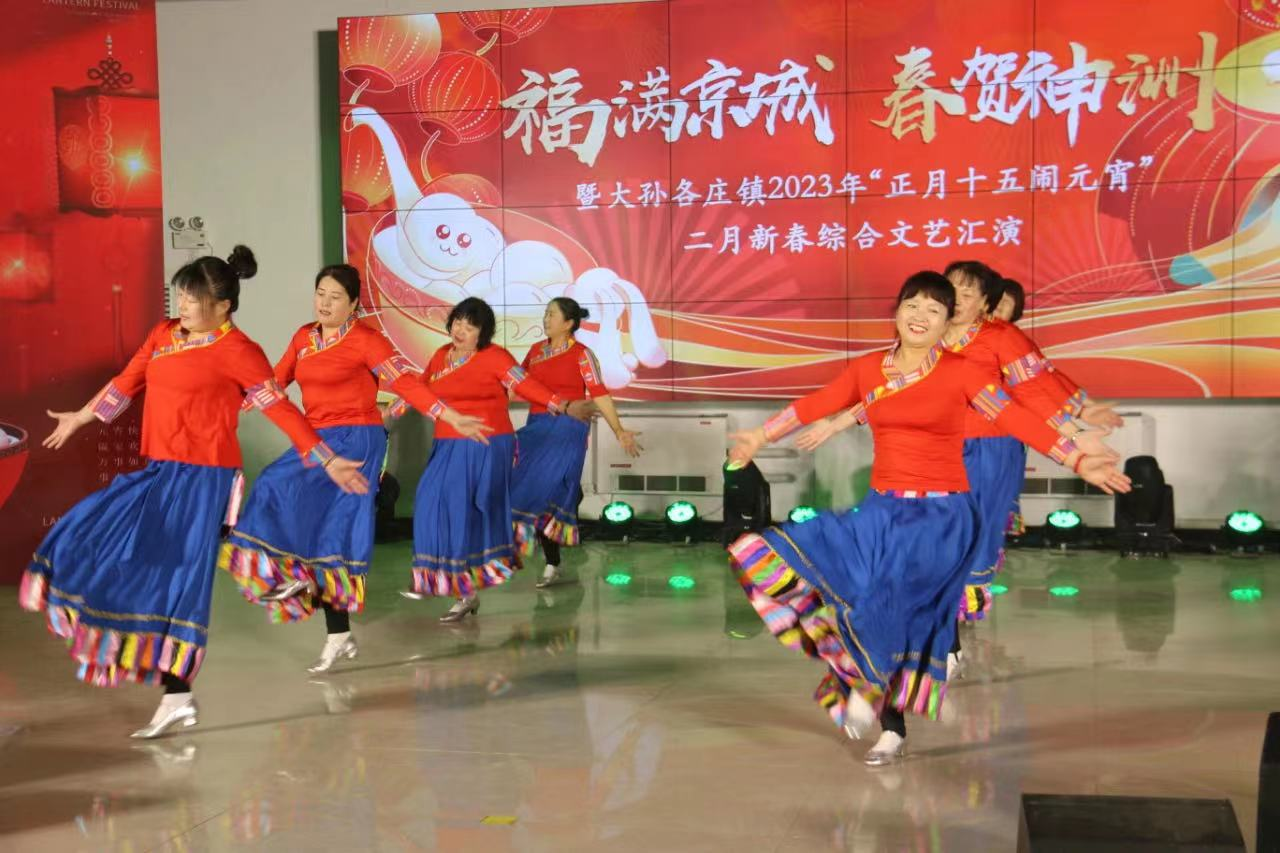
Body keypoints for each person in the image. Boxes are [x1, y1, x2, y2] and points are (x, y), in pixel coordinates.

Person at [725, 271, 1130, 766]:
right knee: (830, 586)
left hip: (941, 516)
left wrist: (1076, 457)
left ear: (946, 324)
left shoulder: (963, 372)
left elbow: (1015, 417)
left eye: (934, 310)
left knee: (892, 609)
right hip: (882, 510)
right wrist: (760, 436)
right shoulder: (870, 368)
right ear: (897, 312)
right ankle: (873, 697)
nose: (921, 316)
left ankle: (884, 718)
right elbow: (816, 404)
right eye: (912, 305)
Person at [18, 247, 369, 738]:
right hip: (161, 471)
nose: (183, 304)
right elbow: (125, 384)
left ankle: (177, 693)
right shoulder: (163, 335)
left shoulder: (239, 350)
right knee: (97, 531)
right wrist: (80, 416)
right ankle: (176, 690)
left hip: (205, 479)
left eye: (194, 298)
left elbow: (281, 409)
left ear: (223, 305)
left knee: (180, 580)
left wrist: (326, 458)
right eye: (181, 294)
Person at [220, 264, 491, 673]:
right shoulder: (304, 337)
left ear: (353, 305)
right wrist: (237, 401)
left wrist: (447, 414)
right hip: (317, 437)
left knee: (334, 531)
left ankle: (327, 617)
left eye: (335, 297)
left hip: (358, 439)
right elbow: (276, 378)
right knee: (278, 487)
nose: (325, 303)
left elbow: (405, 382)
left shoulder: (367, 340)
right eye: (320, 294)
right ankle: (333, 623)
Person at [389, 297, 582, 622]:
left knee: (466, 513)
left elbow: (525, 384)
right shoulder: (441, 355)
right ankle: (437, 579)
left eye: (470, 326)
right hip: (447, 443)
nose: (460, 330)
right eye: (458, 322)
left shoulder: (495, 356)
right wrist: (390, 412)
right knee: (428, 500)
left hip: (487, 443)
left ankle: (461, 589)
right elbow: (420, 388)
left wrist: (560, 405)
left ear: (483, 332)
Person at [509, 297, 642, 589]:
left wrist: (618, 429)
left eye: (551, 314)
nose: (546, 319)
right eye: (545, 313)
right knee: (531, 487)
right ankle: (565, 516)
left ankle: (551, 561)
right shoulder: (535, 351)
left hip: (569, 428)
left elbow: (599, 392)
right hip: (537, 427)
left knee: (548, 490)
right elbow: (516, 385)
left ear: (568, 323)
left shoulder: (582, 354)